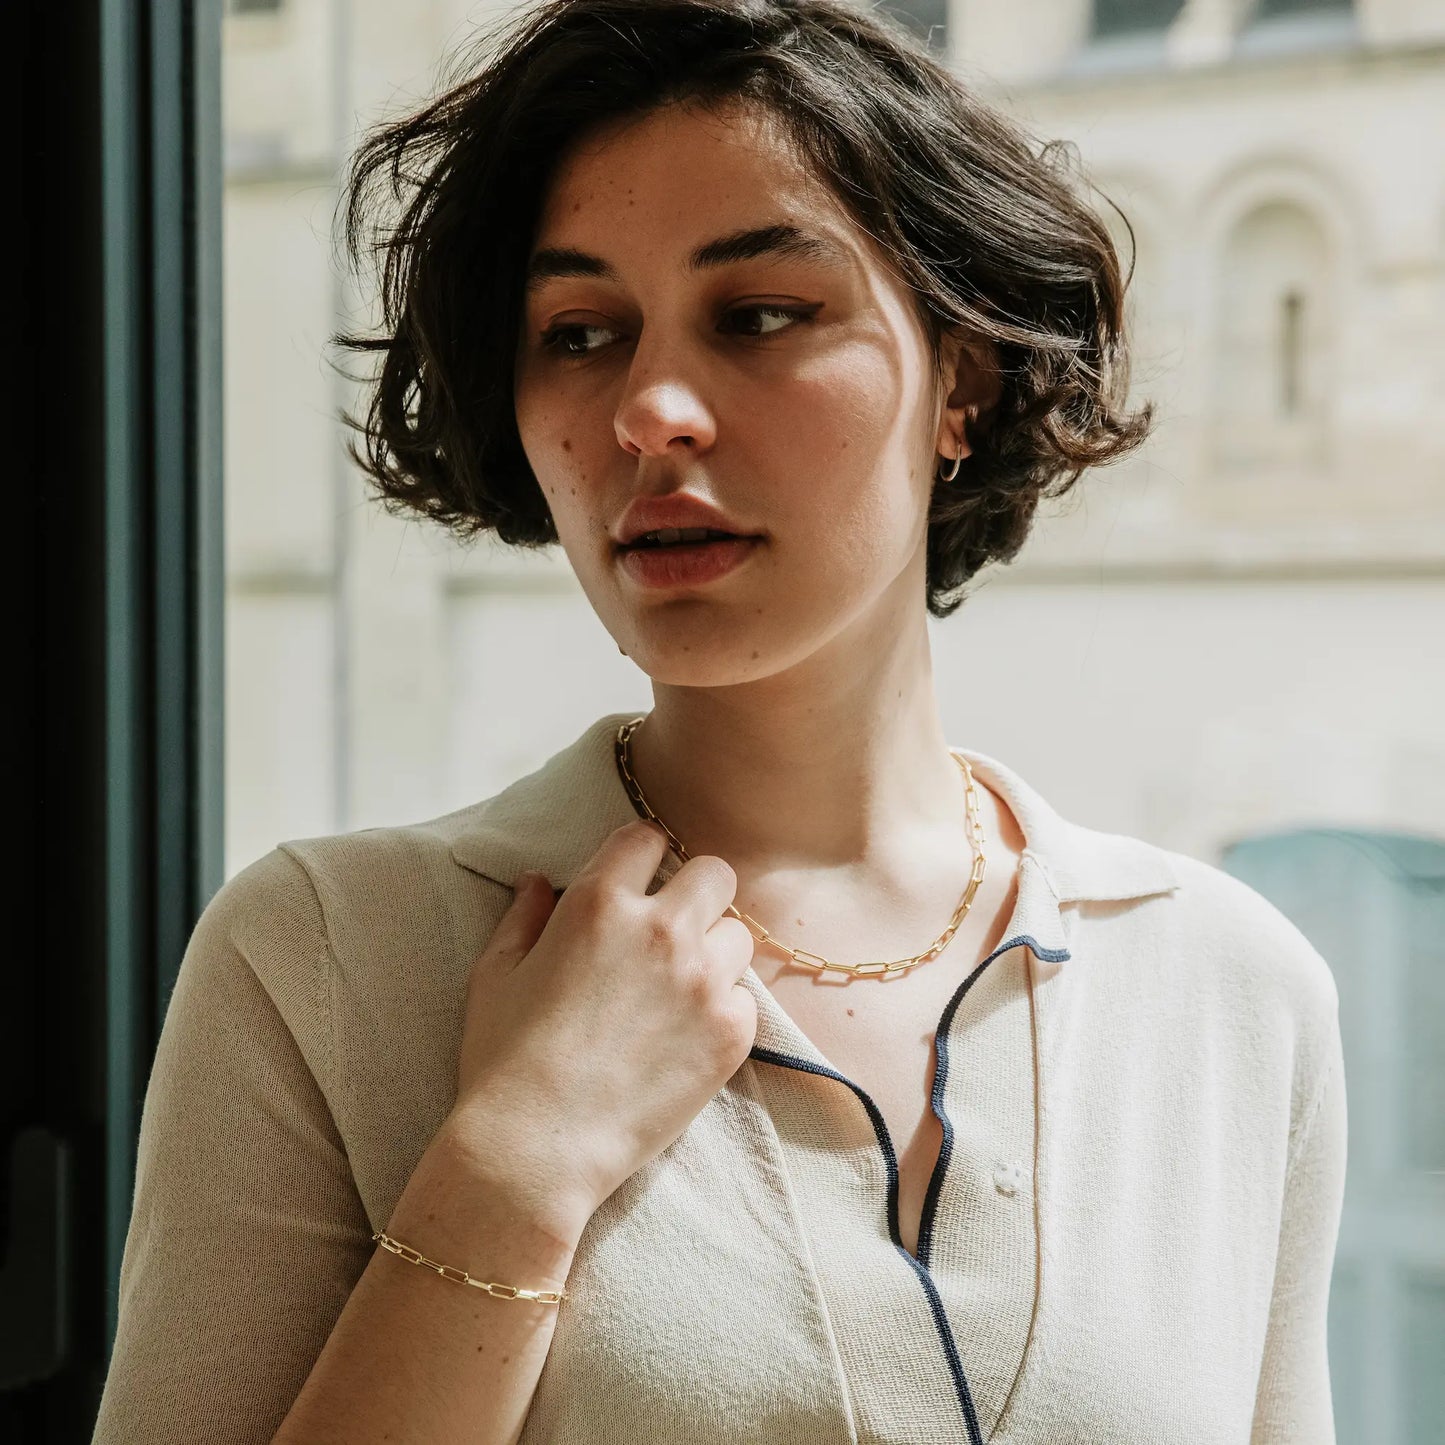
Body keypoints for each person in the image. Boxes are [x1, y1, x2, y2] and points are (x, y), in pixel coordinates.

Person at [92, 2, 1346, 1442]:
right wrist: (515, 1162)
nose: (650, 411)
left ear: (963, 377)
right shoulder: (324, 957)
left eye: (759, 314)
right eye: (580, 333)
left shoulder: (1230, 990)